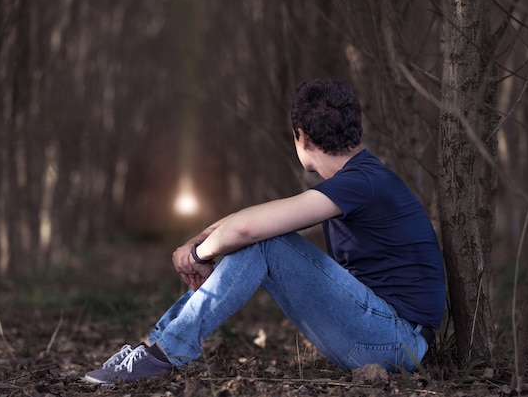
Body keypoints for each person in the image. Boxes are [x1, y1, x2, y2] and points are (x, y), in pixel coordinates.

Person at [84, 78, 446, 384]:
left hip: (396, 342)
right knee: (261, 235)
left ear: (301, 136)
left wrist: (196, 255)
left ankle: (163, 355)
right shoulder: (358, 179)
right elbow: (251, 220)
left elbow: (247, 228)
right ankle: (155, 348)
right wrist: (198, 242)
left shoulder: (362, 182)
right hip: (386, 337)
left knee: (265, 241)